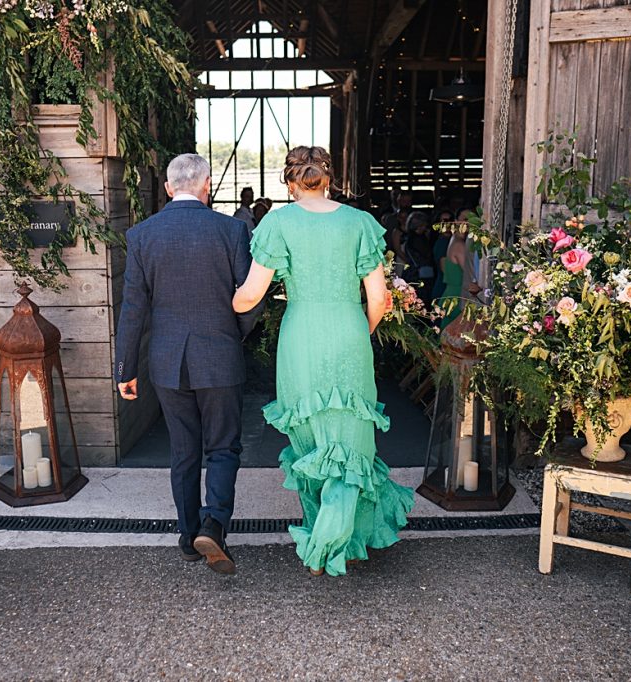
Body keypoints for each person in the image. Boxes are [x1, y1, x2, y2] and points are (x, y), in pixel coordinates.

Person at [232, 146, 415, 577]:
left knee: (310, 443)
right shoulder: (359, 223)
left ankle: (324, 539)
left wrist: (223, 299)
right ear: (329, 178)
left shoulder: (277, 223)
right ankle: (341, 541)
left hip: (302, 339)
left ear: (290, 182)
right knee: (352, 445)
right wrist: (356, 333)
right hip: (348, 333)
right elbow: (378, 300)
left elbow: (250, 296)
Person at [114, 153, 262, 575]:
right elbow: (250, 299)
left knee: (183, 450)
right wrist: (234, 335)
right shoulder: (231, 230)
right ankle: (214, 523)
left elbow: (133, 309)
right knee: (223, 446)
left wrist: (125, 369)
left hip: (167, 362)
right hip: (220, 355)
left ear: (167, 188)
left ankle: (187, 535)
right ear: (207, 185)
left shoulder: (142, 235)